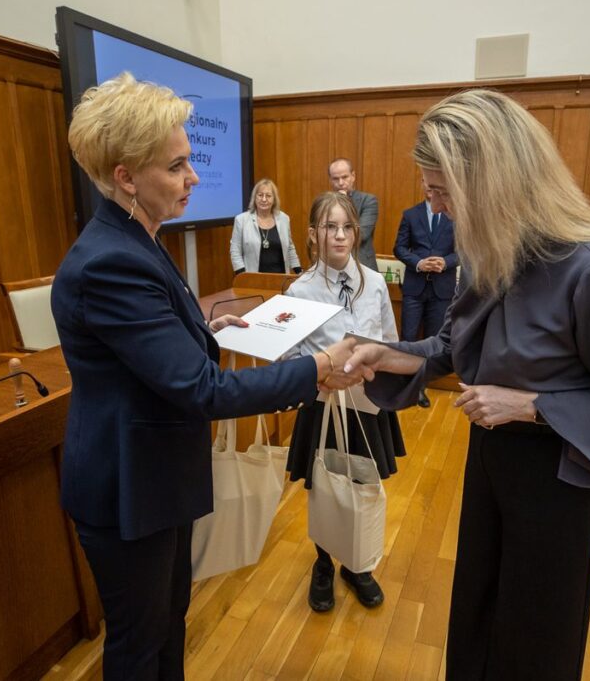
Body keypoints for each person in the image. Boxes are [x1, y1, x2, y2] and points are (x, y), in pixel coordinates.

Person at [343, 89, 590, 679]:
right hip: (492, 458)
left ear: (492, 182)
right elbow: (451, 346)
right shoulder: (495, 250)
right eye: (430, 191)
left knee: (534, 631)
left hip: (560, 476)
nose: (437, 206)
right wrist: (387, 355)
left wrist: (534, 407)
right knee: (477, 610)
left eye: (443, 193)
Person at [50, 72, 359, 680]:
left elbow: (159, 355)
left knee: (169, 626)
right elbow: (201, 390)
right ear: (126, 177)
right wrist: (316, 369)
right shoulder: (112, 260)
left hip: (155, 478)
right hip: (127, 489)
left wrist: (213, 337)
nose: (194, 177)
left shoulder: (138, 240)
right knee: (140, 647)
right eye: (177, 166)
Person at [282, 191, 406, 614]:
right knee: (324, 485)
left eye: (346, 227)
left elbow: (389, 341)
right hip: (323, 405)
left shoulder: (374, 283)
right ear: (313, 235)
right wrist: (320, 373)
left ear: (357, 232)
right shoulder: (299, 291)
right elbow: (289, 356)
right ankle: (322, 561)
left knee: (362, 481)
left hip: (367, 405)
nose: (339, 236)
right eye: (329, 227)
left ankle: (356, 565)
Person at [393, 180, 458, 408]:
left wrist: (446, 262)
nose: (431, 189)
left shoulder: (454, 216)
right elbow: (399, 248)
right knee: (408, 337)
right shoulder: (410, 215)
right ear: (422, 185)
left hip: (442, 289)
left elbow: (463, 251)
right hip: (414, 288)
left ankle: (421, 387)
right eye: (427, 184)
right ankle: (406, 386)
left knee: (434, 340)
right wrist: (419, 263)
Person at [229, 178, 302, 275]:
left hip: (280, 278)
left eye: (268, 196)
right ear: (254, 197)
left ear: (274, 199)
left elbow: (290, 248)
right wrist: (243, 276)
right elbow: (235, 251)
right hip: (252, 279)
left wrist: (299, 271)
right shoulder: (241, 220)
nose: (264, 199)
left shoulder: (284, 219)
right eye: (260, 195)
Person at [328, 158, 379, 270]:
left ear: (353, 176)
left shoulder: (368, 200)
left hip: (362, 264)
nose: (340, 183)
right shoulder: (325, 204)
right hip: (332, 265)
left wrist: (344, 201)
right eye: (335, 179)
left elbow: (361, 234)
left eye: (344, 177)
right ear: (330, 180)